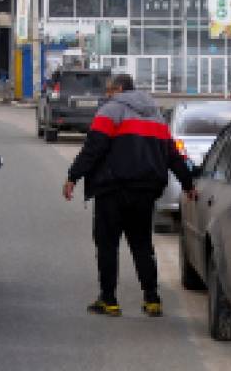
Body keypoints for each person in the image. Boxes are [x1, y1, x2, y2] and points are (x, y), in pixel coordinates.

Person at [63, 73, 193, 318]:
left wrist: (73, 176)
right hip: (145, 191)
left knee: (107, 245)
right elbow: (172, 154)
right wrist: (188, 183)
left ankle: (109, 300)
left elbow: (94, 147)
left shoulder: (110, 111)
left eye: (110, 89)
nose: (107, 94)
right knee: (142, 244)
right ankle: (152, 299)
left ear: (120, 89)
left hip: (112, 189)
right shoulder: (156, 116)